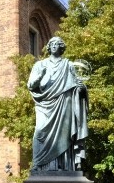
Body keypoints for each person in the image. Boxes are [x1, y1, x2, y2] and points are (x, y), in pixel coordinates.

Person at [27, 35, 88, 171]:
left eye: (57, 44)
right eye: (52, 43)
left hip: (64, 103)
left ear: (61, 48)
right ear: (49, 47)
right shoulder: (40, 65)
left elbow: (77, 87)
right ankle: (39, 164)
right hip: (44, 105)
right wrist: (40, 75)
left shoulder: (69, 65)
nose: (54, 45)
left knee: (64, 135)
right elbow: (31, 85)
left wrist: (81, 89)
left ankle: (64, 166)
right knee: (40, 132)